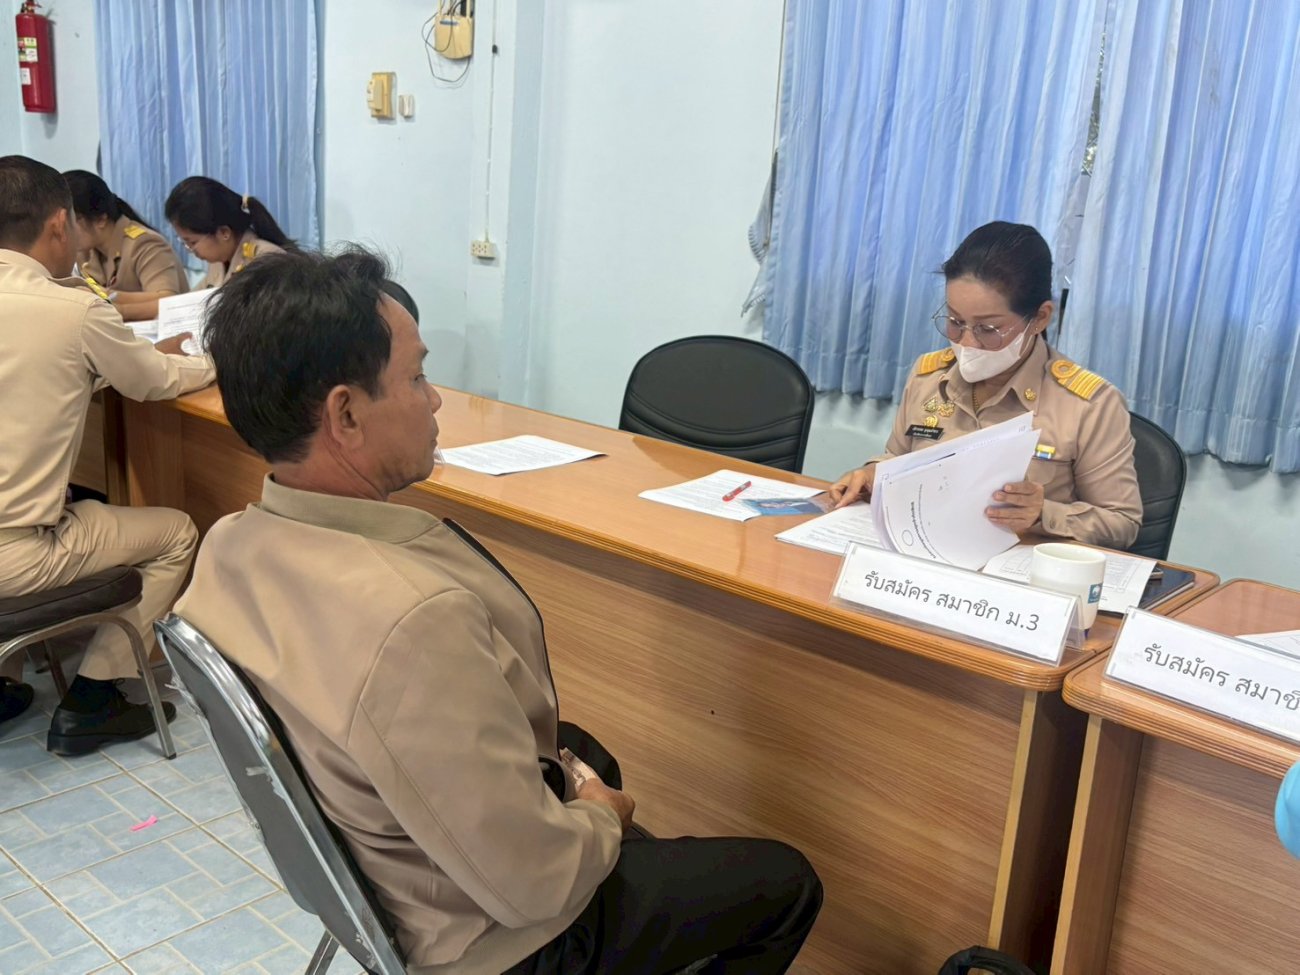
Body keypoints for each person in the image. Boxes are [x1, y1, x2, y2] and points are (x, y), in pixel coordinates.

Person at [177, 247, 823, 975]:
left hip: (381, 866)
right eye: (417, 378)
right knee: (788, 882)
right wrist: (601, 817)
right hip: (494, 943)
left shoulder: (228, 544)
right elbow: (534, 884)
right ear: (346, 414)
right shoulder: (413, 621)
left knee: (582, 746)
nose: (435, 401)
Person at [0, 156, 215, 750]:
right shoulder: (71, 309)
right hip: (14, 555)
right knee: (176, 533)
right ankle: (95, 698)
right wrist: (211, 361)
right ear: (58, 225)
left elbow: (35, 376)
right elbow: (155, 382)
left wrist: (111, 365)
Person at [829, 221, 1142, 550]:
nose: (966, 342)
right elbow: (896, 459)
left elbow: (1122, 522)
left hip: (1017, 568)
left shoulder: (1089, 404)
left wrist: (1043, 514)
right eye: (955, 321)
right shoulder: (928, 376)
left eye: (988, 329)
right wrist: (872, 474)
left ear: (1040, 318)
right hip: (923, 553)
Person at [64, 169, 189, 321]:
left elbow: (167, 301)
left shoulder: (144, 243)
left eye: (73, 221)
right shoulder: (85, 251)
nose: (65, 231)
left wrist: (114, 304)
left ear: (101, 219)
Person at [163, 176, 294, 288]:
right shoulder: (219, 261)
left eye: (192, 242)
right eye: (185, 243)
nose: (191, 251)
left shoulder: (268, 261)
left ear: (224, 232)